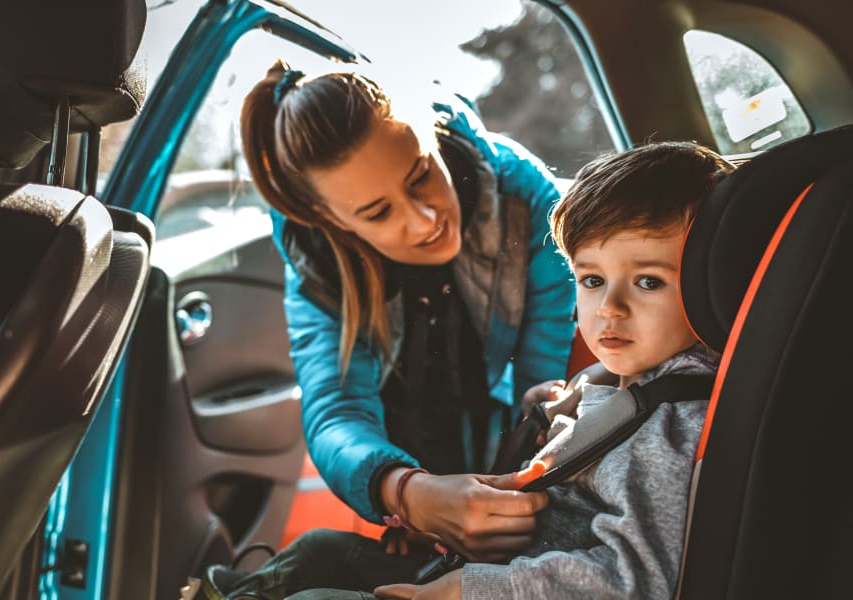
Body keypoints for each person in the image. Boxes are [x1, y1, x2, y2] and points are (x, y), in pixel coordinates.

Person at [213, 140, 735, 599]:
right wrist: (544, 419)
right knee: (319, 550)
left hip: (507, 584)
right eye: (592, 280)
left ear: (710, 281)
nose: (609, 310)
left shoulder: (672, 425)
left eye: (648, 282)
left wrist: (471, 588)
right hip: (503, 566)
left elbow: (637, 581)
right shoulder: (612, 381)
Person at [239, 58, 577, 562]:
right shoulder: (319, 265)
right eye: (378, 212)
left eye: (421, 174)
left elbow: (542, 371)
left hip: (495, 412)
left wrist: (514, 483)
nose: (424, 222)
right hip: (403, 430)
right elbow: (337, 412)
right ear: (332, 220)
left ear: (432, 135)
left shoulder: (526, 198)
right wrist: (407, 494)